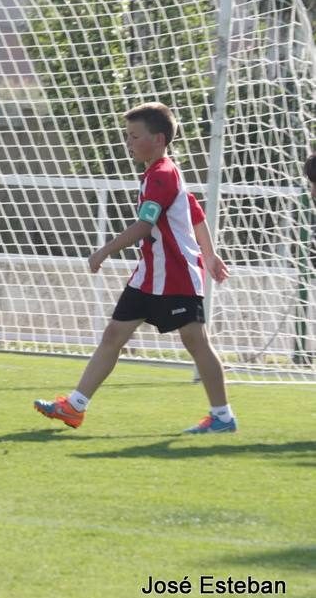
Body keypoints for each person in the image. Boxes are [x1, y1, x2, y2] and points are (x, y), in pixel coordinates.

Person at [34, 102, 234, 433]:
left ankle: (223, 417)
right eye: (127, 135)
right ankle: (75, 406)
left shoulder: (162, 174)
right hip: (148, 276)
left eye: (134, 136)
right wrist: (210, 255)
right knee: (114, 334)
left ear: (157, 138)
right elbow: (194, 211)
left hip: (175, 276)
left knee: (195, 341)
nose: (128, 142)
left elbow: (144, 226)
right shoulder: (160, 172)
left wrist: (103, 251)